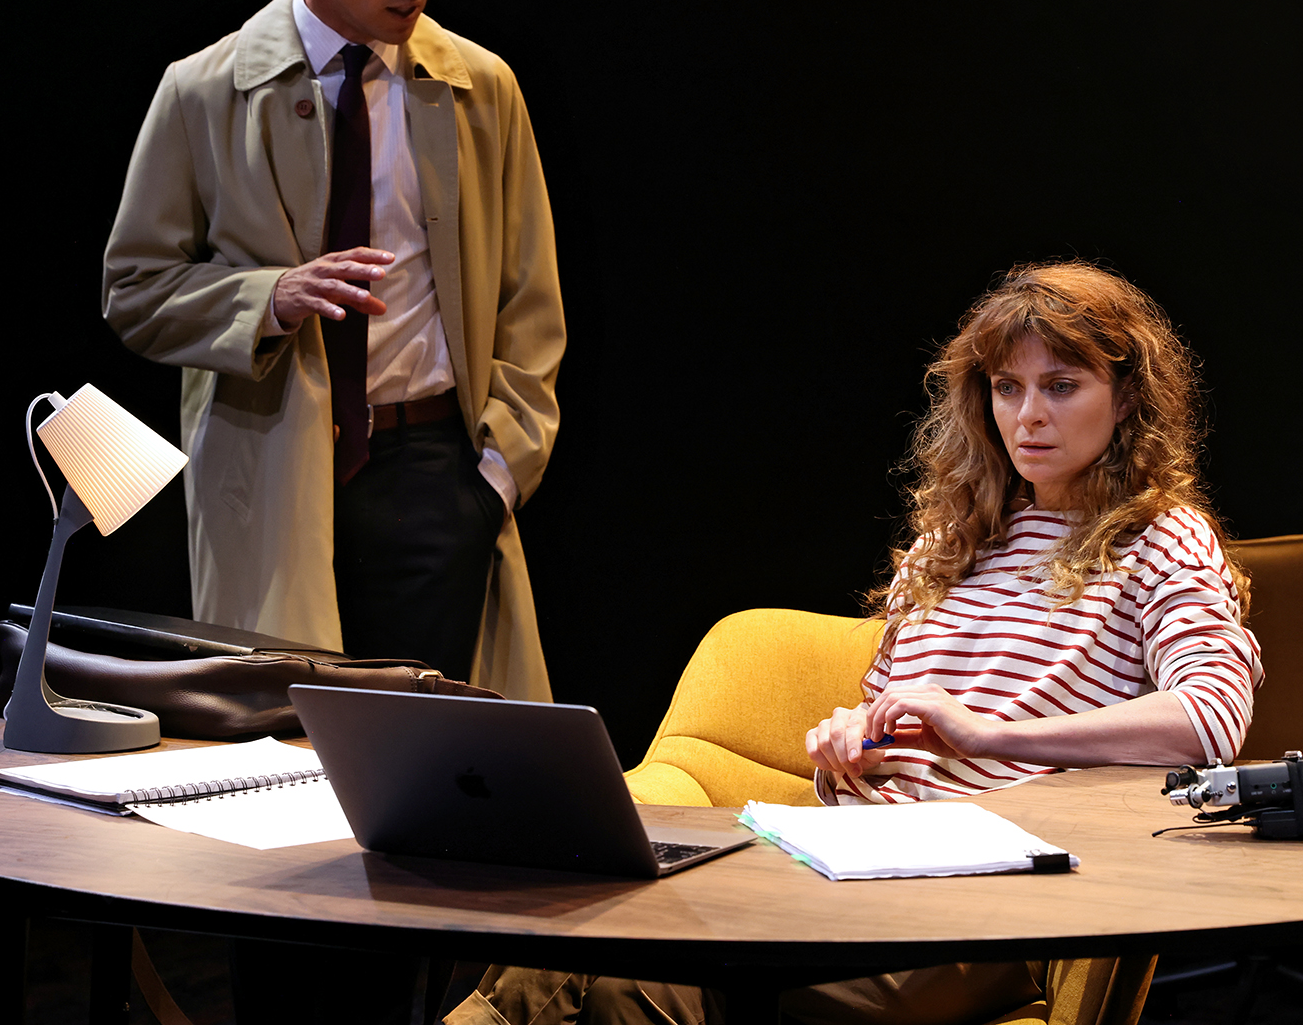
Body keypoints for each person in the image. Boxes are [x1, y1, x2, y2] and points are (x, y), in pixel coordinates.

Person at [450, 261, 1261, 1025]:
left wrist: (994, 735)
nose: (1027, 416)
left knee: (614, 948)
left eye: (1061, 386)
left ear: (1126, 400)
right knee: (603, 948)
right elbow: (903, 714)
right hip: (848, 855)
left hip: (987, 898)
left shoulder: (1163, 539)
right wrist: (852, 735)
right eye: (1006, 388)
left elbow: (1211, 719)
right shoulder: (957, 535)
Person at [103, 0, 562, 699]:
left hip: (434, 472)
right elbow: (136, 290)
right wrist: (268, 299)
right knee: (288, 754)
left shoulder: (479, 87)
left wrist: (498, 474)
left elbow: (530, 298)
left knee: (431, 756)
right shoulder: (204, 91)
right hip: (273, 471)